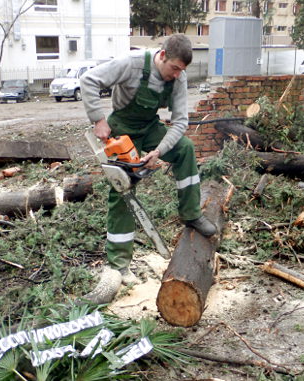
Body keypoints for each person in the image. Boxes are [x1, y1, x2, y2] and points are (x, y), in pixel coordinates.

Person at [79, 34, 216, 302]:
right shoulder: (130, 64)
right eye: (174, 68)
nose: (177, 75)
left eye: (182, 71)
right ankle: (119, 263)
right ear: (162, 55)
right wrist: (97, 119)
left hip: (150, 127)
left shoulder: (179, 78)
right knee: (122, 190)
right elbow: (89, 80)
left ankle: (191, 214)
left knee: (185, 148)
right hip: (122, 128)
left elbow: (179, 122)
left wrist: (159, 151)